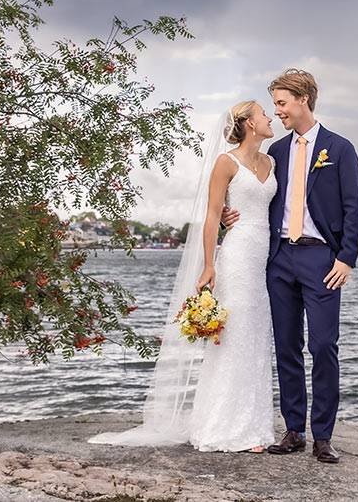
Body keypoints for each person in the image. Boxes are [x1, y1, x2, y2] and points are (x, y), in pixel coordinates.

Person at [89, 101, 278, 453]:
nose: (270, 118)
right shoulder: (226, 162)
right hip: (236, 258)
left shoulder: (272, 162)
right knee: (233, 340)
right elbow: (210, 217)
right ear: (250, 124)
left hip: (264, 260)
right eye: (264, 114)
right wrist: (209, 264)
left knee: (255, 339)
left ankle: (254, 425)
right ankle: (224, 426)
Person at [223, 68, 358, 464]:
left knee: (323, 345)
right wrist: (225, 216)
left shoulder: (340, 149)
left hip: (322, 258)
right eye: (274, 105)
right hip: (279, 257)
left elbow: (354, 208)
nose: (277, 111)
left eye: (282, 103)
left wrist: (346, 258)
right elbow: (250, 194)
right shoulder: (276, 153)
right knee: (287, 346)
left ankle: (323, 436)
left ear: (303, 100)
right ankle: (294, 430)